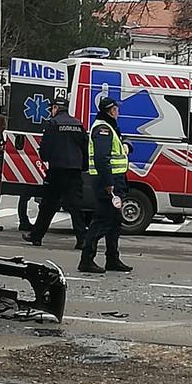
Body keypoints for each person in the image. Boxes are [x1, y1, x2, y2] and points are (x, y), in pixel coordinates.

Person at [23, 96, 88, 248]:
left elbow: (45, 148)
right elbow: (84, 148)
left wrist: (45, 158)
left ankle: (36, 236)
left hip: (57, 170)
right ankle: (82, 240)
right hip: (74, 171)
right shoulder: (78, 124)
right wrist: (82, 167)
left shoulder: (53, 123)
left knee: (48, 205)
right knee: (76, 207)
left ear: (56, 109)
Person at [79, 97, 133, 274]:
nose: (118, 111)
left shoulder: (109, 127)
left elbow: (116, 148)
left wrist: (125, 145)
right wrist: (109, 184)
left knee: (115, 222)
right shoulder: (103, 129)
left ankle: (112, 258)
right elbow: (102, 159)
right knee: (102, 221)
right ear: (111, 111)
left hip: (115, 180)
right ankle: (87, 259)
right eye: (117, 109)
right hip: (107, 182)